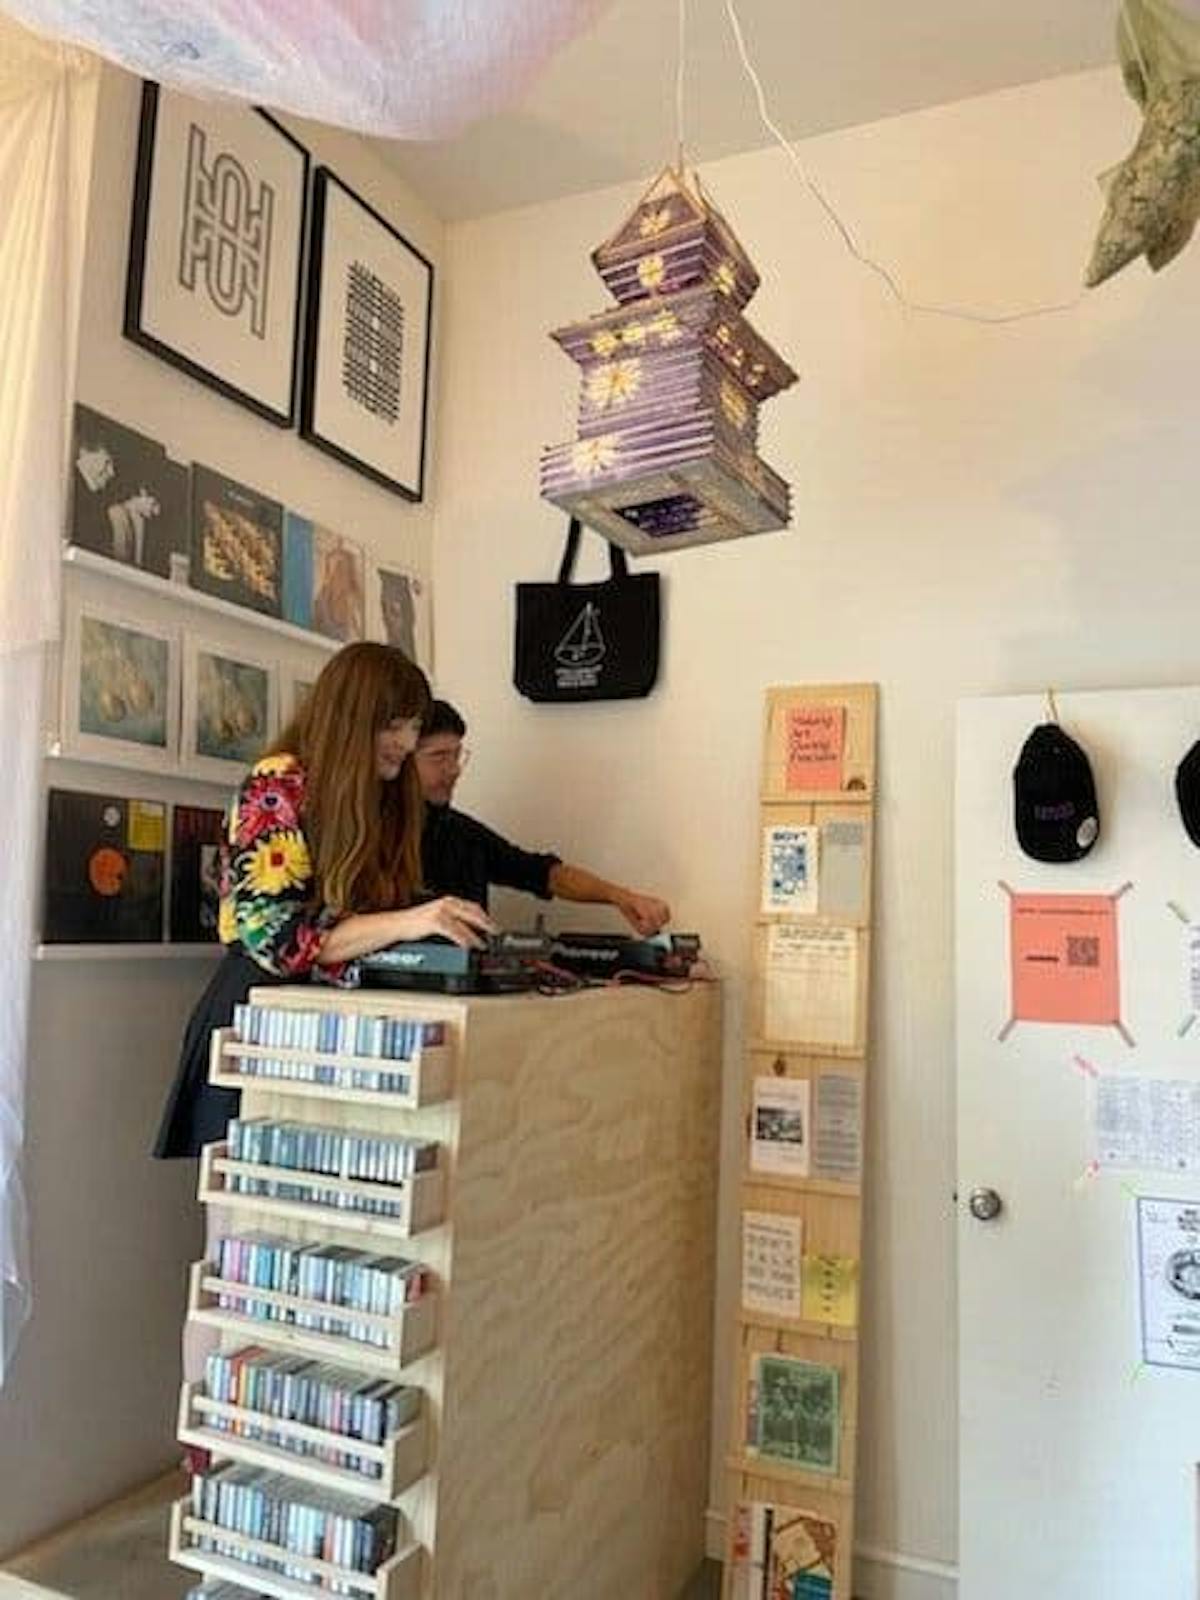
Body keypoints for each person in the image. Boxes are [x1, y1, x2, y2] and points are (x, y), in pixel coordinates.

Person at [153, 645, 495, 1161]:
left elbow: (371, 912)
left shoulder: (382, 796)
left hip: (330, 1028)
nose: (407, 743)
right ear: (353, 717)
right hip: (259, 1017)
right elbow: (277, 938)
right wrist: (408, 922)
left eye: (413, 727)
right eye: (395, 725)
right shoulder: (278, 783)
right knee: (251, 1204)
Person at [415, 699, 671, 937]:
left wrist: (620, 897)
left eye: (457, 755)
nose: (454, 770)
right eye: (439, 757)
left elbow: (543, 874)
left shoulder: (462, 832)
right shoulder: (389, 835)